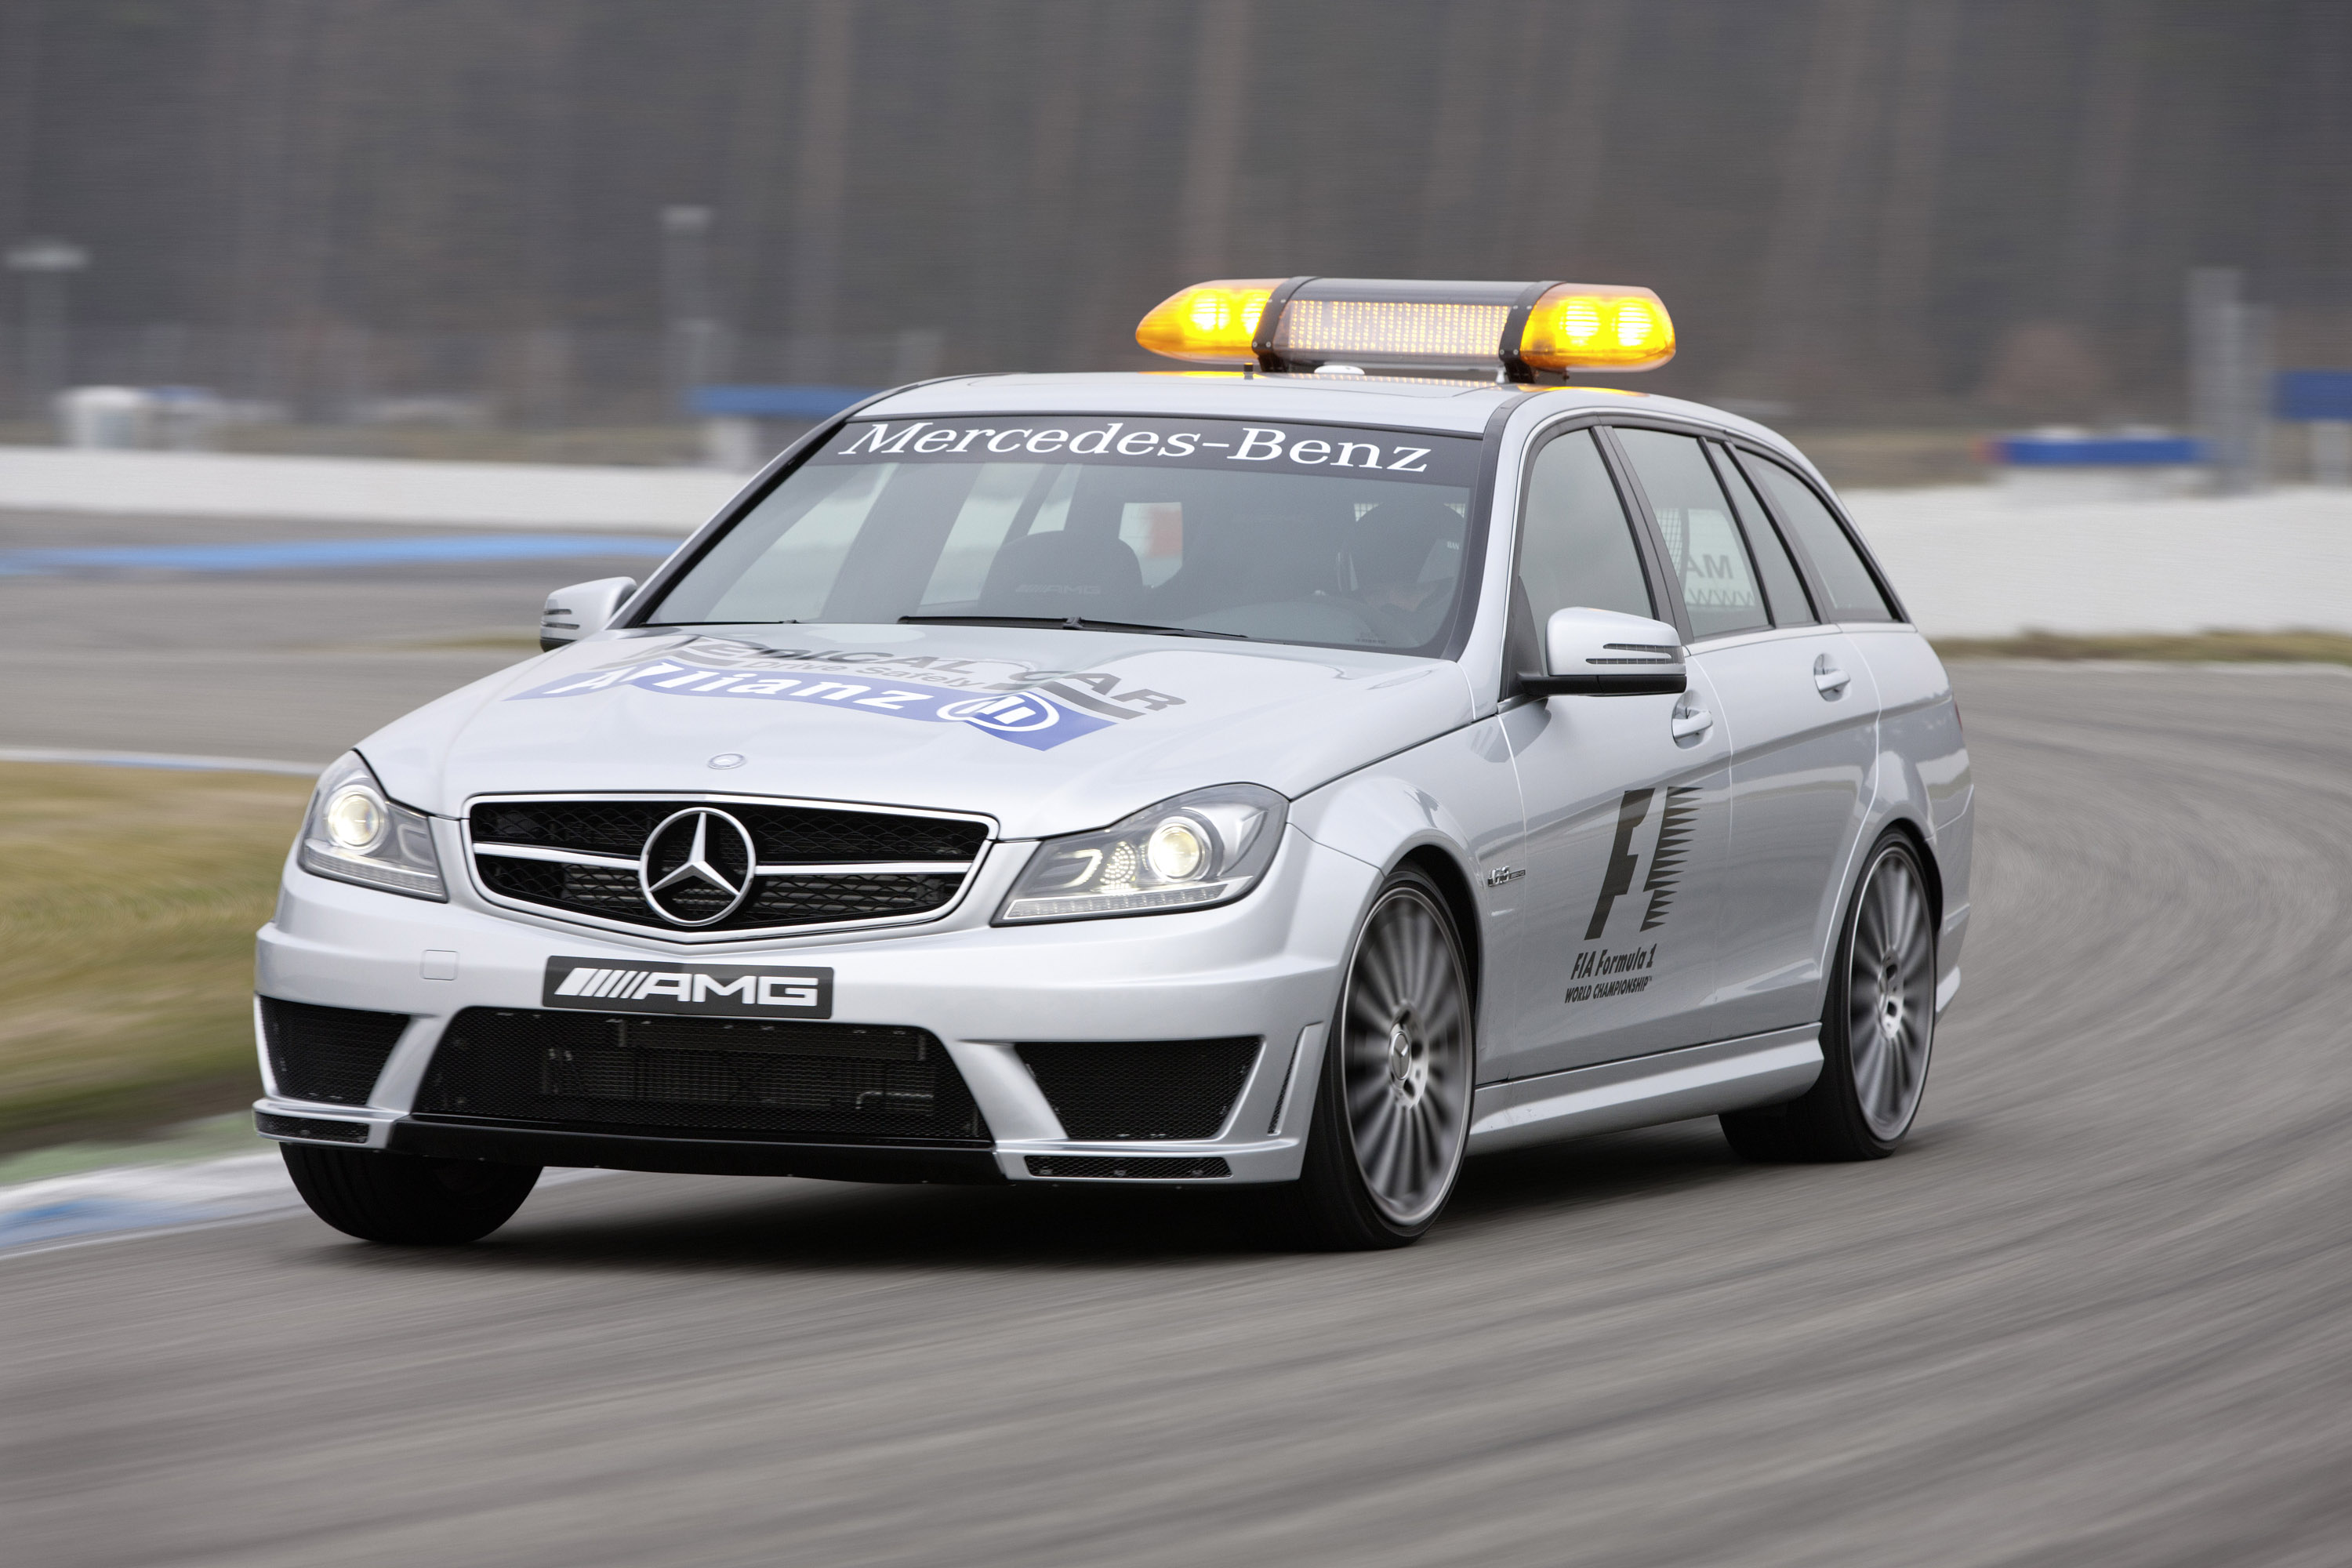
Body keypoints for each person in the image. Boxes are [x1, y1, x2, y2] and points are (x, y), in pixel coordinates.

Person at [1341, 498, 1460, 645]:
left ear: (1445, 594)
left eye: (1408, 592)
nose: (1391, 606)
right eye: (1376, 593)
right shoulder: (1337, 645)